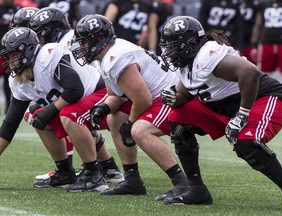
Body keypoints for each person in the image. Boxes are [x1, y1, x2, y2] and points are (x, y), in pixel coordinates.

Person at [159, 15, 282, 208]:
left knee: (247, 143)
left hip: (262, 97)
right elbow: (186, 94)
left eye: (173, 45)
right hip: (225, 105)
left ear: (190, 43)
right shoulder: (188, 62)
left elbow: (250, 72)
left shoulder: (206, 55)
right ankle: (196, 189)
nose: (169, 51)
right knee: (178, 118)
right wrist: (173, 98)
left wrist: (242, 115)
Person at [70, 14, 192, 200]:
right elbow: (115, 96)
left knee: (139, 131)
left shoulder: (116, 57)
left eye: (85, 42)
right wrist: (103, 108)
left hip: (172, 98)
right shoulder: (109, 54)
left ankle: (182, 183)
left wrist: (130, 125)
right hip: (159, 96)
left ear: (99, 40)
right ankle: (132, 180)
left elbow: (142, 100)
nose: (82, 48)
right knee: (114, 117)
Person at [0, 27, 110, 192]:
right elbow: (9, 125)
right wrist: (45, 113)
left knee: (67, 114)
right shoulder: (19, 81)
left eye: (14, 55)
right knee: (36, 116)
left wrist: (49, 111)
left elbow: (75, 89)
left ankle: (93, 174)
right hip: (79, 106)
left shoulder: (48, 55)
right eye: (9, 56)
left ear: (29, 50)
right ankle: (65, 172)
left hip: (101, 96)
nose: (11, 60)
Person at [27, 7, 125, 187]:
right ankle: (105, 166)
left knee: (68, 113)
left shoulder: (59, 47)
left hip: (105, 91)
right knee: (44, 111)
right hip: (98, 89)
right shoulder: (68, 39)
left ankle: (85, 170)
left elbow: (75, 87)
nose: (38, 40)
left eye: (40, 35)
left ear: (52, 32)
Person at [251, 0, 282, 86]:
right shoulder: (264, 4)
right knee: (264, 74)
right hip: (267, 43)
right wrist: (254, 45)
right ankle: (264, 95)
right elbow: (258, 26)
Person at [0, 0, 21, 114]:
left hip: (11, 50)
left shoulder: (18, 8)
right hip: (0, 49)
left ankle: (9, 106)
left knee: (10, 78)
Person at [238, 0, 260, 65]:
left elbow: (258, 24)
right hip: (237, 38)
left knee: (251, 63)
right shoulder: (236, 4)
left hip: (251, 38)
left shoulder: (256, 5)